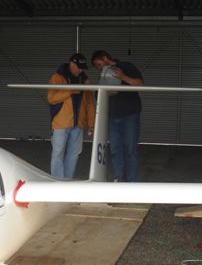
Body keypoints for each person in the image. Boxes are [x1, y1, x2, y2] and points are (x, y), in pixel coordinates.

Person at [91, 50, 144, 182]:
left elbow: (140, 84)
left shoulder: (126, 66)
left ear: (105, 58)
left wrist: (123, 76)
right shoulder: (104, 75)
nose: (98, 68)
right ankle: (119, 179)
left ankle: (132, 181)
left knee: (130, 148)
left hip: (129, 114)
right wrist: (105, 94)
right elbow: (98, 95)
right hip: (112, 116)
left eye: (99, 64)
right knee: (115, 149)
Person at [47, 53, 95, 179]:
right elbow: (51, 98)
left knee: (74, 154)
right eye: (79, 67)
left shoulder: (85, 81)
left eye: (82, 68)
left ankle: (67, 181)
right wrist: (71, 91)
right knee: (58, 153)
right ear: (71, 64)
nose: (80, 70)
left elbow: (90, 104)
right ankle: (58, 182)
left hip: (78, 124)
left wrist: (91, 124)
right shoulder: (57, 77)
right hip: (61, 123)